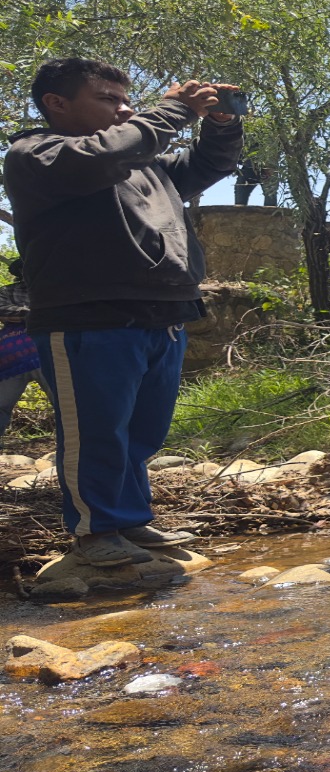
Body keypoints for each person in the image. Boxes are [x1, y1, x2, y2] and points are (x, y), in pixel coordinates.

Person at [3, 59, 243, 566]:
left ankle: (129, 521)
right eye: (108, 98)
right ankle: (96, 534)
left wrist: (222, 125)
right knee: (97, 431)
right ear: (57, 104)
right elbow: (101, 157)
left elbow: (206, 166)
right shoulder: (37, 154)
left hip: (162, 313)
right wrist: (175, 108)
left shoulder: (144, 164)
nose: (125, 108)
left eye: (124, 98)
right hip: (87, 318)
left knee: (141, 432)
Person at [0, 280, 43, 437]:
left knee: (62, 403)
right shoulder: (7, 290)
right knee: (1, 404)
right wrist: (35, 314)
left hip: (44, 351)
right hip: (10, 357)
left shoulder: (54, 288)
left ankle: (68, 450)